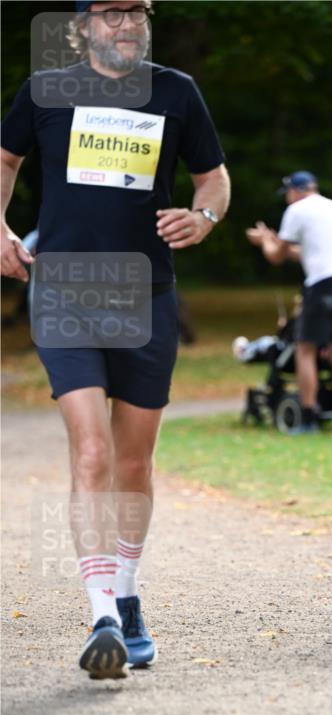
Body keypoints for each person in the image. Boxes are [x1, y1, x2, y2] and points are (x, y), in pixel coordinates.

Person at [1, 0, 229, 679]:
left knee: (133, 463)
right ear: (83, 26)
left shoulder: (175, 92)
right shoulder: (46, 90)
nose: (125, 24)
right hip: (64, 291)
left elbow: (213, 179)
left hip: (145, 296)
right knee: (93, 451)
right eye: (110, 13)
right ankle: (101, 613)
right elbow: (5, 161)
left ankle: (127, 597)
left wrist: (205, 218)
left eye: (136, 11)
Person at [245, 171, 332, 433]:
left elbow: (276, 257)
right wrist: (275, 241)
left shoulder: (296, 210)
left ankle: (308, 418)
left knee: (305, 349)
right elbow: (308, 252)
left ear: (294, 191)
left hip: (322, 285)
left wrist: (265, 241)